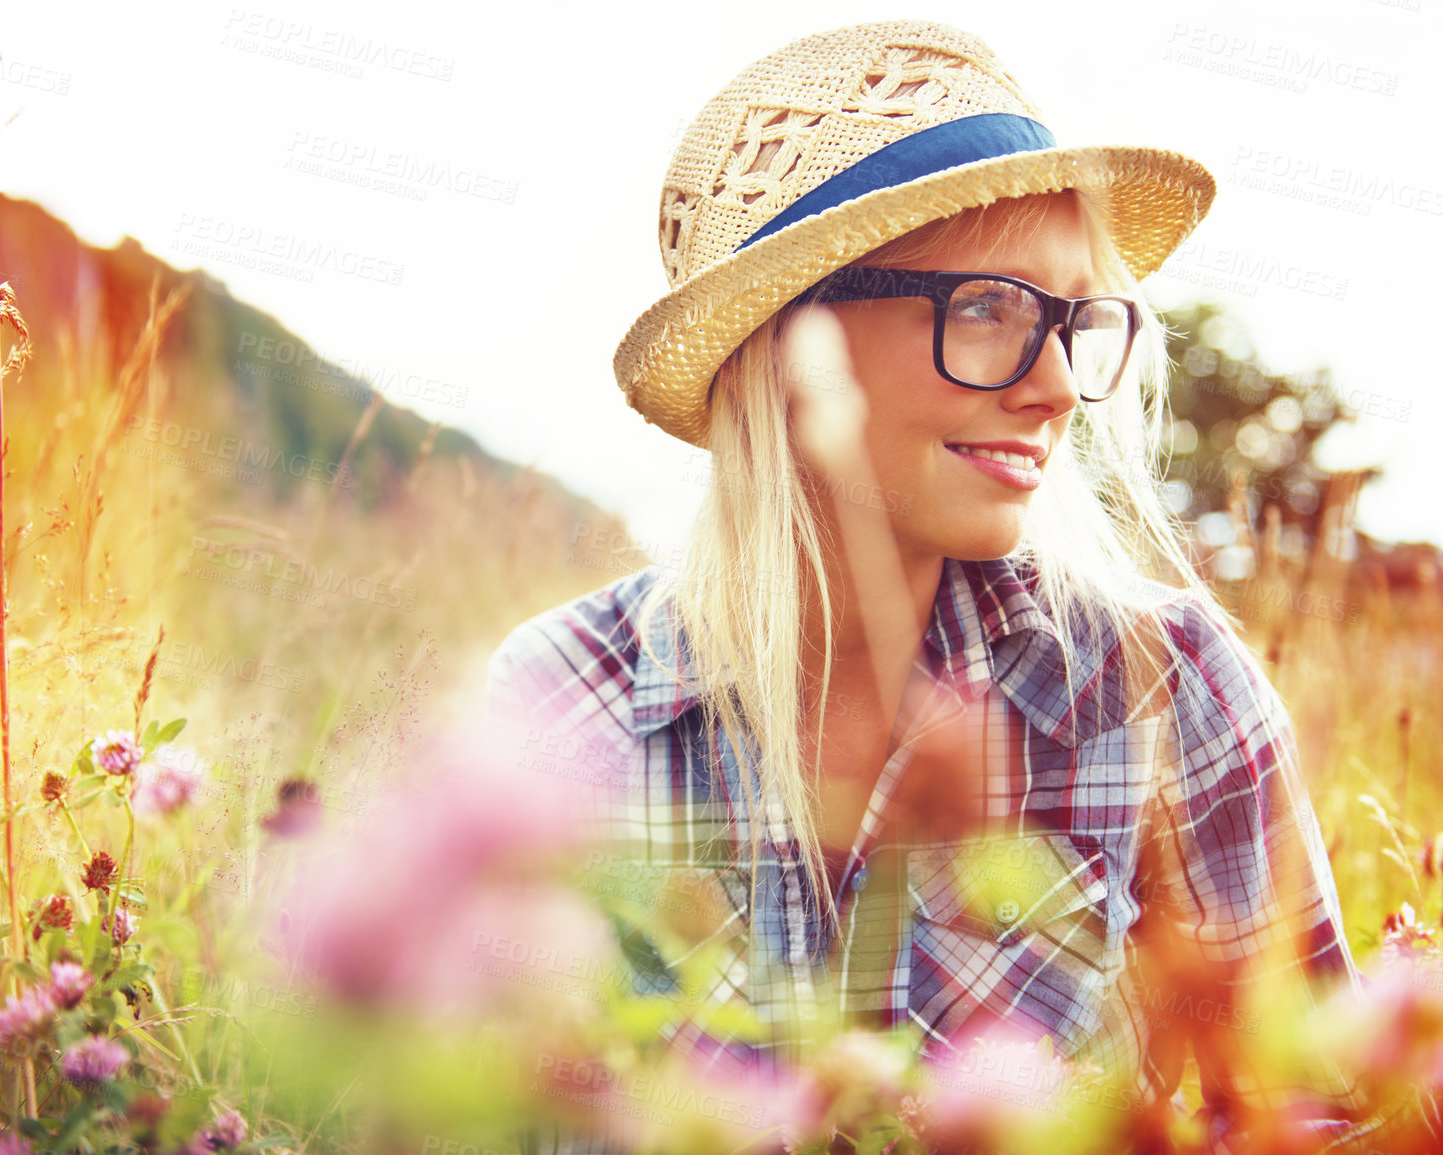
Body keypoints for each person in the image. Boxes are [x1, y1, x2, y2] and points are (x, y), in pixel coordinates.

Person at [487, 19, 1375, 1153]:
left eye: (1072, 321)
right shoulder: (565, 709)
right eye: (991, 308)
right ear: (790, 335)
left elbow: (1321, 1113)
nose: (1057, 386)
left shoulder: (1164, 689)